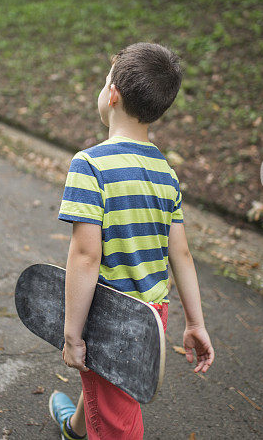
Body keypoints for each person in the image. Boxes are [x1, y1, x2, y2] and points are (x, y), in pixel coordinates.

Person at [49, 43, 215, 439]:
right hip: (152, 314)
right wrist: (195, 322)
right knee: (113, 386)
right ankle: (76, 427)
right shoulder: (166, 172)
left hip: (111, 313)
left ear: (112, 95)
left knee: (121, 425)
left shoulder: (89, 165)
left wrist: (72, 336)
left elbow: (87, 256)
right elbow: (183, 255)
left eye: (105, 80)